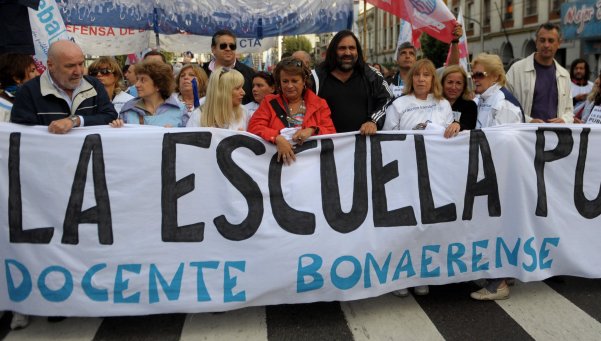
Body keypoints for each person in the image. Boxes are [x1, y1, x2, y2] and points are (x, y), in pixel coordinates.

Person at [384, 59, 455, 297]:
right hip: (404, 171)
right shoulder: (399, 104)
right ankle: (401, 276)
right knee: (403, 224)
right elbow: (387, 137)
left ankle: (421, 273)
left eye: (427, 75)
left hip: (433, 172)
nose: (422, 79)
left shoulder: (443, 104)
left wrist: (456, 125)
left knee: (427, 224)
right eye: (417, 75)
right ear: (411, 79)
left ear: (433, 79)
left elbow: (450, 134)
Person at [468, 53, 523, 301]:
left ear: (496, 76)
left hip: (499, 175)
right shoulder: (485, 99)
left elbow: (508, 145)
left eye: (479, 74)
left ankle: (499, 282)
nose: (474, 78)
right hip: (487, 172)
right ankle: (502, 273)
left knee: (498, 225)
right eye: (473, 73)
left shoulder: (504, 103)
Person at [10, 40, 118, 133]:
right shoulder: (28, 91)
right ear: (51, 65)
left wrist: (76, 121)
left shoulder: (94, 85)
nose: (78, 72)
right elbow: (22, 136)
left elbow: (110, 116)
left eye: (81, 64)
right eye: (70, 66)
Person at [248, 57, 336, 165]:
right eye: (285, 81)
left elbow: (331, 132)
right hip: (278, 166)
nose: (289, 86)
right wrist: (276, 138)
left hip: (312, 166)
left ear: (304, 81)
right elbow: (254, 127)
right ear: (279, 82)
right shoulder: (269, 102)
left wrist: (312, 130)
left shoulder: (319, 104)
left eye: (294, 81)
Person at [313, 30, 392, 135]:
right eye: (342, 48)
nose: (347, 53)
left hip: (362, 146)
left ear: (357, 51)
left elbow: (387, 99)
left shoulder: (372, 75)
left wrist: (373, 121)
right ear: (333, 51)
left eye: (352, 48)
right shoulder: (316, 78)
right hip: (327, 146)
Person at [506, 22, 573, 123]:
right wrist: (528, 121)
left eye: (551, 41)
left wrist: (564, 120)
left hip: (554, 135)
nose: (546, 45)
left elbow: (569, 109)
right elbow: (505, 104)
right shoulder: (517, 69)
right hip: (524, 134)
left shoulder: (564, 75)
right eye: (542, 40)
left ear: (559, 43)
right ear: (536, 42)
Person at [112, 60, 187, 127]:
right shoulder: (128, 109)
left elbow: (188, 140)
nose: (137, 85)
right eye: (137, 79)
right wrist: (118, 129)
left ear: (158, 84)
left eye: (143, 80)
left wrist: (172, 137)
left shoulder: (179, 110)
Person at [202, 29, 255, 105]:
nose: (228, 48)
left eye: (232, 46)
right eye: (223, 46)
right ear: (213, 49)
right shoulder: (201, 72)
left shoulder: (249, 74)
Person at [0, 53, 39, 122]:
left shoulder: (34, 98)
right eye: (32, 71)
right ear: (17, 78)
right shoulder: (3, 105)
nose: (38, 74)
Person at [440, 65, 477, 132]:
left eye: (458, 83)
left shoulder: (470, 105)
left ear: (464, 86)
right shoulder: (434, 103)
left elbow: (468, 126)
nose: (453, 87)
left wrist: (458, 125)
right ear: (442, 83)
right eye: (450, 82)